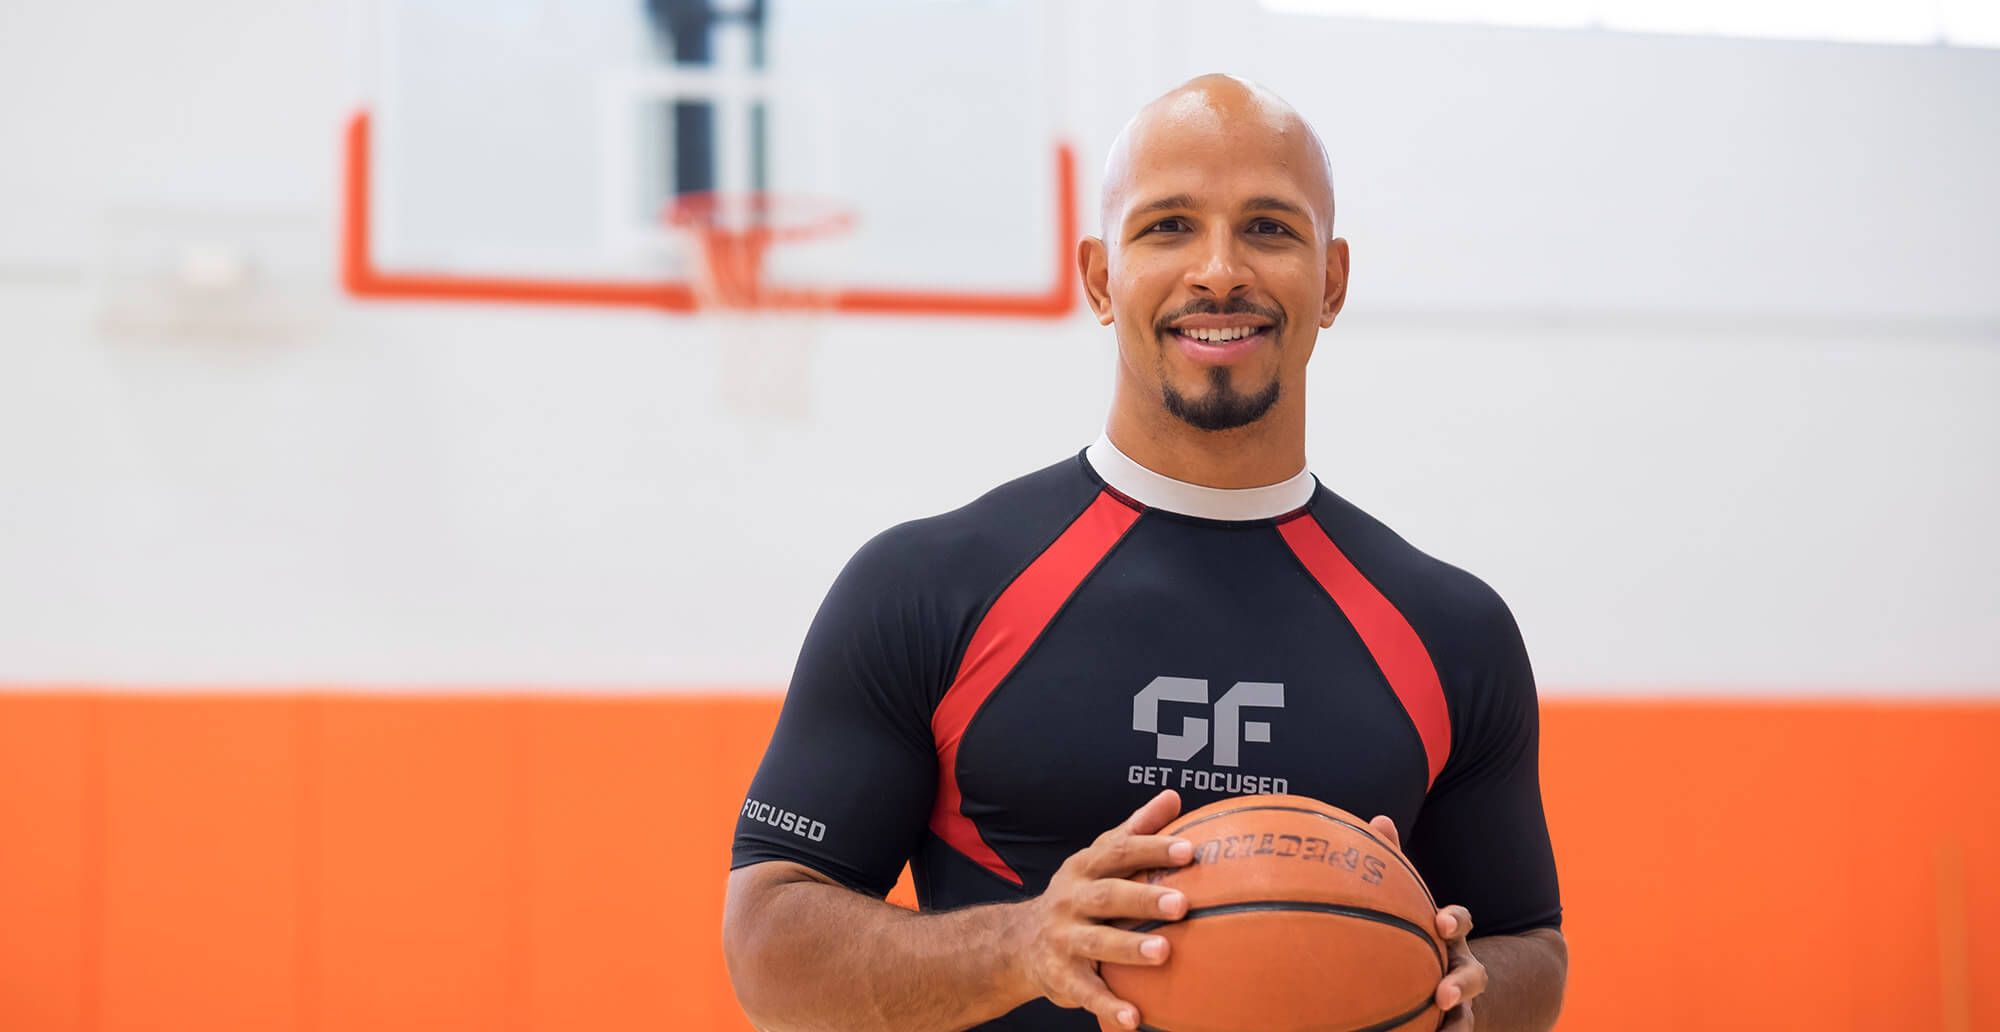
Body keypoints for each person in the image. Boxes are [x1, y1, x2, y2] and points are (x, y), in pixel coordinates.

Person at [723, 74, 1567, 1032]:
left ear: (1330, 281)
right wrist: (1028, 944)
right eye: (1168, 226)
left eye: (1269, 229)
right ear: (1098, 277)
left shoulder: (1451, 631)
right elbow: (770, 947)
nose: (1218, 270)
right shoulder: (926, 588)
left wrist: (1455, 996)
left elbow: (1528, 943)